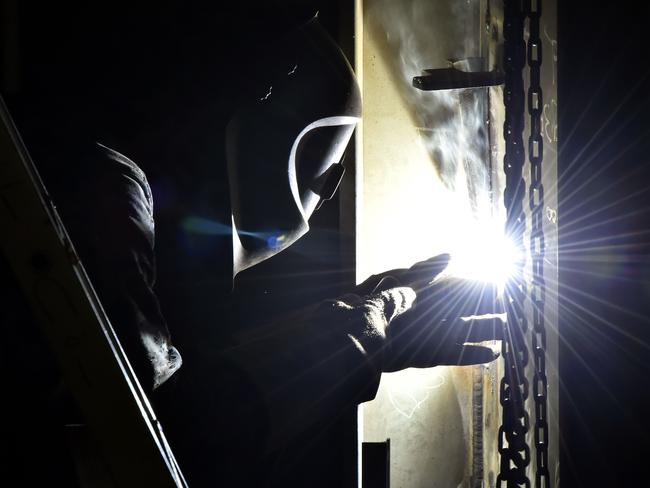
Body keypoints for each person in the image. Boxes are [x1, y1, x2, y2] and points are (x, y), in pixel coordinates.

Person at [7, 3, 503, 486]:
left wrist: (365, 327)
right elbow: (162, 438)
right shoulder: (98, 187)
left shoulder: (65, 156)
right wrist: (356, 336)